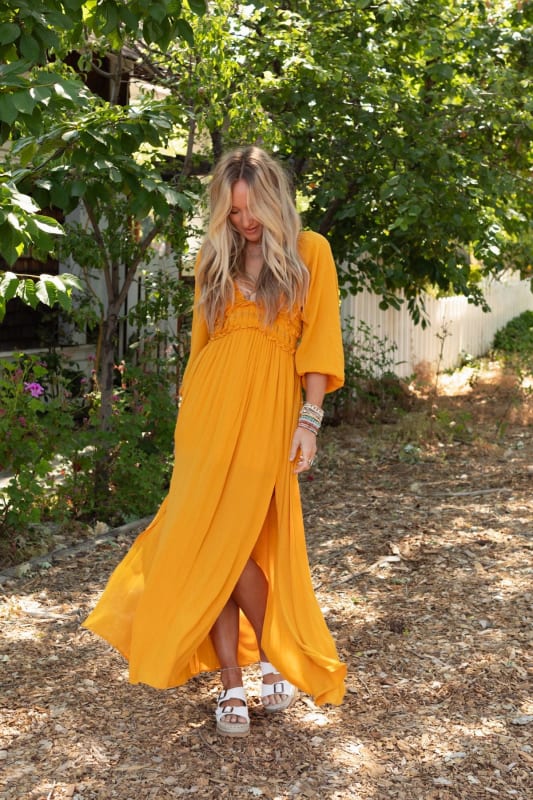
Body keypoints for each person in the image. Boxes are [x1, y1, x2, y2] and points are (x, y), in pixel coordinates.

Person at [83, 145, 346, 737]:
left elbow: (320, 343)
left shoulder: (310, 251)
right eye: (233, 212)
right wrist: (188, 417)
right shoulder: (213, 257)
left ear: (274, 201)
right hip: (208, 410)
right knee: (204, 535)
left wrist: (309, 420)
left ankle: (276, 652)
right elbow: (202, 344)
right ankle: (232, 680)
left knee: (238, 539)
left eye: (252, 210)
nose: (245, 222)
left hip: (269, 412)